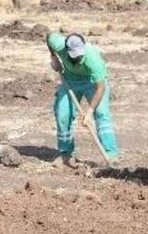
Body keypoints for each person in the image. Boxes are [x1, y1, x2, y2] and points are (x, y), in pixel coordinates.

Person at [47, 32, 120, 167]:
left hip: (92, 83)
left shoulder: (93, 59)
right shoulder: (59, 44)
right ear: (67, 50)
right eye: (74, 54)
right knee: (63, 114)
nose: (78, 57)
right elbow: (49, 36)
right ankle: (66, 154)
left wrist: (89, 112)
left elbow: (100, 88)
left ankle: (111, 154)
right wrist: (53, 58)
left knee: (102, 113)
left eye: (80, 53)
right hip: (70, 80)